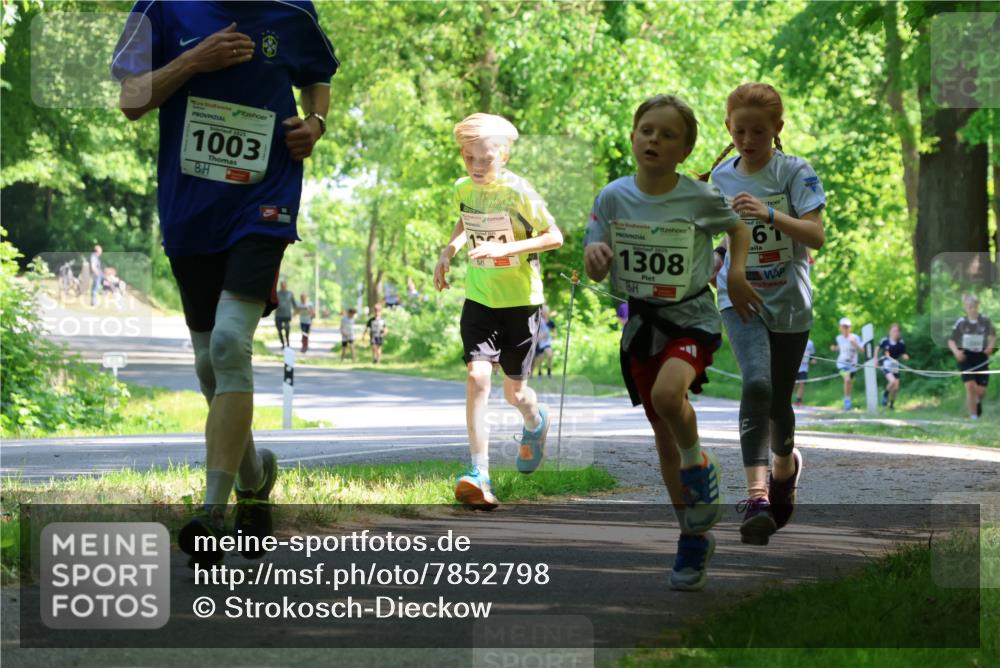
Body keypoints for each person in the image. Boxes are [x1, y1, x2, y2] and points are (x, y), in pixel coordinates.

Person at [113, 1, 338, 567]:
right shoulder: (161, 8)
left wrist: (316, 124)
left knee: (229, 343)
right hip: (192, 209)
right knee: (209, 365)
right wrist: (193, 61)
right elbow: (131, 100)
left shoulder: (292, 9)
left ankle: (213, 513)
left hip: (266, 198)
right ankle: (255, 478)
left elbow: (316, 76)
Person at [584, 94, 760, 591]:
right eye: (647, 130)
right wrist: (596, 257)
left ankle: (698, 462)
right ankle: (692, 534)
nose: (654, 140)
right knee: (663, 433)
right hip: (643, 325)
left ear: (684, 151)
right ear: (633, 136)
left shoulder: (698, 197)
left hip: (692, 319)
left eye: (667, 135)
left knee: (668, 397)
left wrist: (739, 274)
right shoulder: (612, 196)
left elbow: (738, 229)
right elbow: (593, 250)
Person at [705, 82, 826, 547]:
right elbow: (717, 239)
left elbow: (815, 236)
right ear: (728, 129)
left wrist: (768, 214)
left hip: (790, 303)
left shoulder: (795, 172)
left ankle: (785, 467)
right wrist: (714, 267)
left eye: (759, 131)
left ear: (777, 129)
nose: (748, 140)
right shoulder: (720, 179)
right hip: (739, 298)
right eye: (740, 131)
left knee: (778, 403)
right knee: (756, 383)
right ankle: (756, 497)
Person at [434, 113, 563, 508]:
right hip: (480, 298)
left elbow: (554, 237)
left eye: (485, 159)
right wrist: (449, 250)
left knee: (515, 392)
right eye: (469, 158)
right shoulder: (464, 187)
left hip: (520, 302)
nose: (476, 166)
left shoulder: (520, 192)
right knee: (477, 377)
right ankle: (479, 473)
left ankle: (534, 422)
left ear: (503, 156)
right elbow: (467, 220)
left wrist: (504, 249)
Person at [948, 294, 995, 420]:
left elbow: (993, 336)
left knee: (981, 391)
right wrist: (956, 352)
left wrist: (990, 346)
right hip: (966, 358)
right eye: (969, 307)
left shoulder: (985, 321)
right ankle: (973, 417)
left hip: (981, 358)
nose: (972, 309)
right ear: (965, 308)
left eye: (974, 306)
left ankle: (977, 401)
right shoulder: (961, 322)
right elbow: (951, 341)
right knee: (970, 386)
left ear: (978, 306)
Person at [832, 317, 863, 410]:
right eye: (843, 326)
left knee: (849, 383)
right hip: (841, 364)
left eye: (847, 326)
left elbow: (861, 350)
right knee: (847, 380)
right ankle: (847, 402)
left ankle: (848, 399)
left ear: (850, 327)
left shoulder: (855, 337)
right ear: (840, 328)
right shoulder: (838, 338)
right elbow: (838, 347)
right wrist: (834, 348)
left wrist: (854, 343)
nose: (845, 328)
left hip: (853, 365)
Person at [879, 323, 910, 410]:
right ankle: (885, 395)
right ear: (890, 331)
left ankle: (891, 404)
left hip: (895, 366)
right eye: (893, 331)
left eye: (897, 331)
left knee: (896, 387)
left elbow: (903, 353)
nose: (895, 333)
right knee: (892, 381)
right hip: (886, 364)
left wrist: (905, 357)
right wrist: (875, 360)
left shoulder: (901, 343)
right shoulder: (885, 341)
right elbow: (884, 351)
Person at [532, 305, 555, 377]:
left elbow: (554, 332)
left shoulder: (550, 322)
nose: (544, 313)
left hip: (546, 342)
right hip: (538, 342)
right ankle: (539, 372)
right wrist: (539, 336)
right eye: (543, 312)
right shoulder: (538, 321)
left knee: (550, 355)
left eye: (546, 312)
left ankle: (549, 370)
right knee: (540, 358)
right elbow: (534, 331)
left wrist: (552, 336)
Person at [274, 280, 297, 349]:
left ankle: (287, 342)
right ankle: (283, 343)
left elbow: (294, 304)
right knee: (279, 330)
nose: (283, 287)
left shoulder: (290, 294)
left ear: (286, 286)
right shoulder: (277, 294)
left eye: (284, 285)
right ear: (280, 286)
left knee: (287, 328)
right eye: (282, 285)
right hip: (278, 315)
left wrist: (295, 313)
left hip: (287, 315)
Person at [794, 339, 816, 407]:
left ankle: (798, 400)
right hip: (794, 367)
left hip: (804, 368)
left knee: (802, 383)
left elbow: (812, 355)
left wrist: (813, 360)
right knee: (794, 385)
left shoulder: (810, 343)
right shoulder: (795, 340)